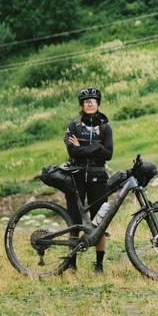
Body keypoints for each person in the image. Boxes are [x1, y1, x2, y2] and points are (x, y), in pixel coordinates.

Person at [64, 86, 113, 273]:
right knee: (74, 222)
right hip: (76, 179)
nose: (90, 104)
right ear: (81, 105)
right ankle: (72, 264)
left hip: (98, 178)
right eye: (86, 102)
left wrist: (84, 147)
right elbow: (72, 151)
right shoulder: (73, 126)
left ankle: (99, 265)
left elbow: (108, 154)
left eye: (93, 101)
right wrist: (96, 147)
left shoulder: (105, 128)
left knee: (99, 222)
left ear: (98, 104)